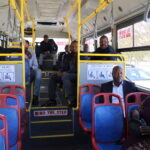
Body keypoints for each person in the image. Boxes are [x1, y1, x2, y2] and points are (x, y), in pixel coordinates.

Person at [47, 41, 77, 107]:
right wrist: (60, 71)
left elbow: (79, 68)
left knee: (65, 76)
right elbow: (64, 66)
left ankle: (73, 100)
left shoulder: (82, 55)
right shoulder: (68, 56)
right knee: (53, 77)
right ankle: (52, 100)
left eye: (76, 47)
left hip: (77, 74)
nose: (74, 48)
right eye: (72, 47)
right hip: (67, 74)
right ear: (70, 48)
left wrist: (67, 72)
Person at [25, 40, 42, 106]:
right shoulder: (16, 53)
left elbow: (36, 65)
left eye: (26, 45)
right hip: (20, 73)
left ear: (28, 46)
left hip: (30, 72)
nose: (24, 46)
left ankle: (35, 96)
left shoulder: (32, 53)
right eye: (23, 45)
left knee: (39, 71)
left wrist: (30, 68)